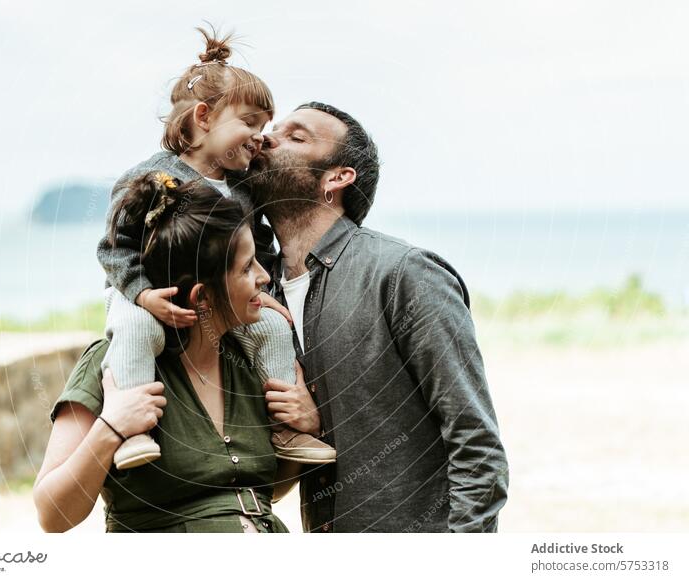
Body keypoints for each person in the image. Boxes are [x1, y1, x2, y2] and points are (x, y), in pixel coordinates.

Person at [247, 102, 510, 532]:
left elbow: (477, 445)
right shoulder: (258, 296)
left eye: (296, 136)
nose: (266, 138)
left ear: (337, 177)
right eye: (272, 130)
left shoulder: (404, 274)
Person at [96, 26, 334, 469]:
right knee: (137, 333)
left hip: (218, 299)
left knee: (272, 330)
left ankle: (282, 426)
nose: (260, 137)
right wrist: (144, 294)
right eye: (249, 123)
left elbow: (258, 248)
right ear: (203, 117)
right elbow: (115, 249)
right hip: (148, 293)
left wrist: (260, 293)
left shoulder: (242, 187)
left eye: (264, 128)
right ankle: (133, 431)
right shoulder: (151, 178)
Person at [33, 177, 321, 532]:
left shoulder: (250, 361)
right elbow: (51, 515)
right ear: (201, 297)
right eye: (247, 268)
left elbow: (265, 490)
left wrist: (306, 422)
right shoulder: (111, 365)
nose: (264, 277)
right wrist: (110, 429)